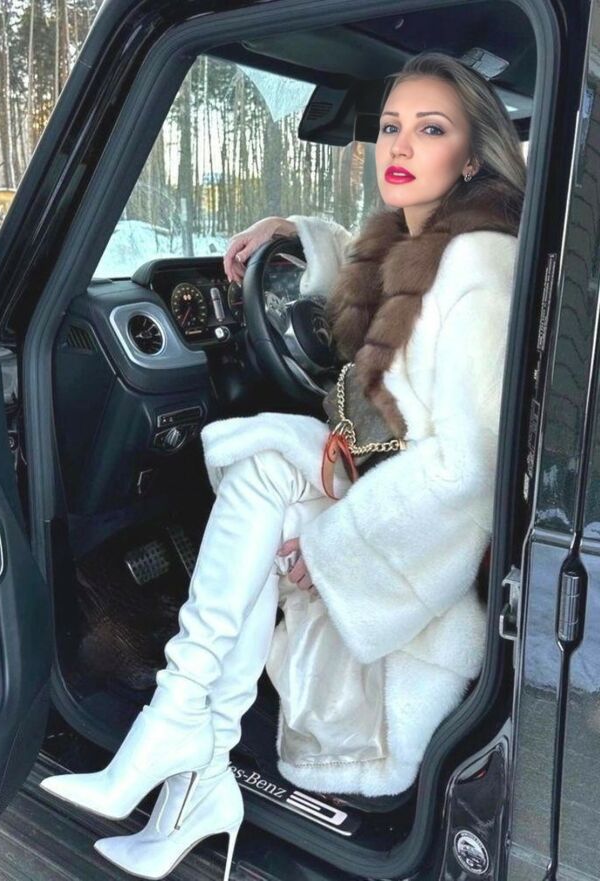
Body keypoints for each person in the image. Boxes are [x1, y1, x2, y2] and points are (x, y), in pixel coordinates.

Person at [41, 52, 525, 881]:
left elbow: (465, 472)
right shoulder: (420, 241)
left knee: (263, 479)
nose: (400, 144)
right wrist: (294, 234)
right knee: (264, 461)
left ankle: (182, 741)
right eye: (391, 126)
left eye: (431, 128)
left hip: (427, 570)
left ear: (473, 156)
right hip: (388, 503)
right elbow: (375, 274)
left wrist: (334, 548)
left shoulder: (480, 269)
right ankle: (187, 740)